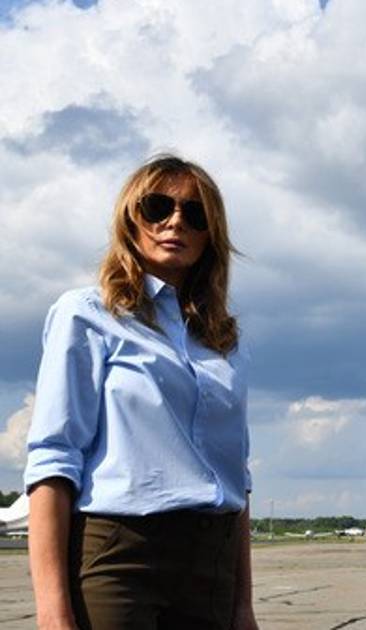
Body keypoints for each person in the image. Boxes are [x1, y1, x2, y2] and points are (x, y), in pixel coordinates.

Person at [24, 155, 257, 630]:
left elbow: (238, 477)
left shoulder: (223, 341)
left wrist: (243, 606)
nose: (176, 221)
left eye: (195, 213)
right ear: (131, 218)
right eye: (158, 206)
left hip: (213, 565)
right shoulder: (88, 315)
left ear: (211, 234)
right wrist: (52, 613)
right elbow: (53, 460)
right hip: (122, 558)